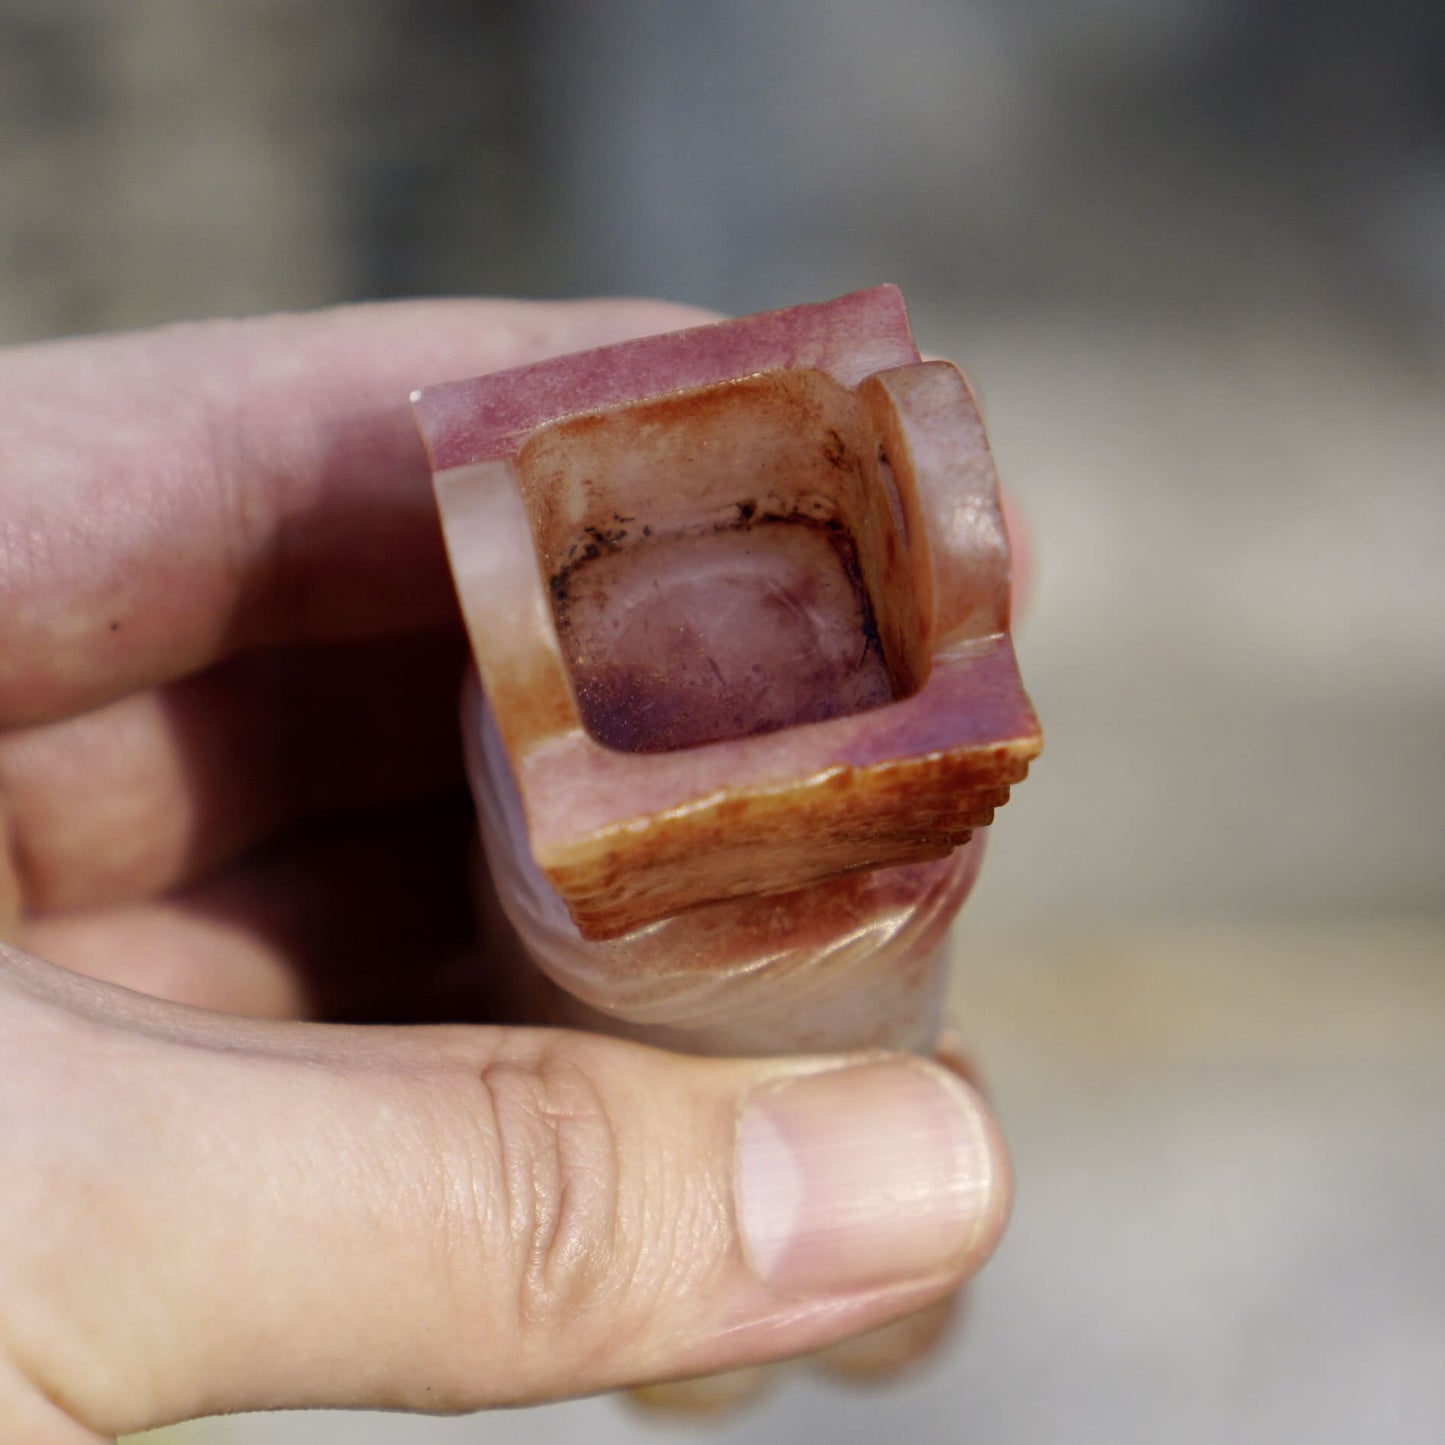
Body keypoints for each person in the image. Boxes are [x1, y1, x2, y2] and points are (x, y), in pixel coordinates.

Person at [0, 299, 1011, 1441]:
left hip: (828, 911)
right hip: (613, 911)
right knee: (767, 1344)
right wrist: (566, 1217)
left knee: (807, 1331)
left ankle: (745, 1353)